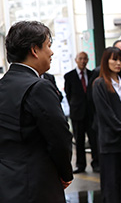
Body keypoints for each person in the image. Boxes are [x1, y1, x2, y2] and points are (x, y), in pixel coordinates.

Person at [0, 21, 73, 202]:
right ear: (34, 50)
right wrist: (65, 173)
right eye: (48, 45)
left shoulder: (3, 86)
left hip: (7, 184)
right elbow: (60, 138)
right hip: (38, 185)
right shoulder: (39, 87)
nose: (51, 52)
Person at [92, 47, 121, 203]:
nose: (118, 63)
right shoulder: (99, 84)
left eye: (120, 60)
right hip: (110, 143)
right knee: (111, 186)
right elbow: (106, 114)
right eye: (114, 59)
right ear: (106, 61)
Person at [64, 51, 99, 173]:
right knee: (79, 140)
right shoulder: (69, 76)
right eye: (80, 58)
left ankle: (96, 163)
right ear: (76, 60)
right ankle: (80, 164)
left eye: (85, 59)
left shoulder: (92, 74)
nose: (83, 61)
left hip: (91, 113)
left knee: (93, 139)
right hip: (77, 113)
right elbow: (68, 94)